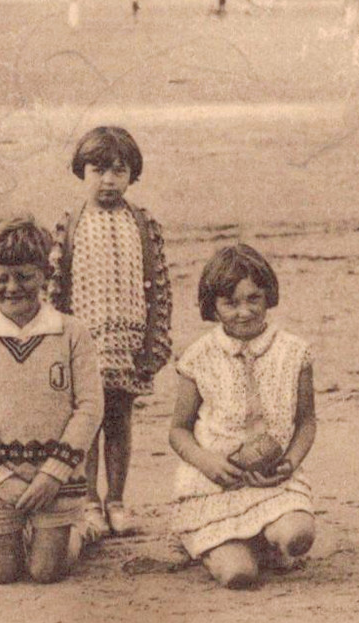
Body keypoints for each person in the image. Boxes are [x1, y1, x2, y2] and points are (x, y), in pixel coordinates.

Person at [0, 216, 103, 585]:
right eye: (2, 278)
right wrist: (0, 481)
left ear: (45, 275)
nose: (13, 287)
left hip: (55, 479)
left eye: (25, 277)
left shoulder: (71, 333)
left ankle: (84, 528)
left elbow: (89, 409)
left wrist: (53, 475)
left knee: (47, 572)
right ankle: (27, 530)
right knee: (5, 574)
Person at [49, 127, 173, 543]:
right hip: (83, 346)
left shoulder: (143, 224)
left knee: (119, 419)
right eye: (98, 170)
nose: (108, 180)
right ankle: (88, 502)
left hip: (128, 345)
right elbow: (55, 293)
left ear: (132, 174)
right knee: (86, 424)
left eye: (118, 171)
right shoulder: (69, 225)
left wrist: (154, 342)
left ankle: (116, 500)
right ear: (81, 172)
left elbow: (159, 288)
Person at [169, 245, 318, 589]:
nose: (244, 311)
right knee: (239, 576)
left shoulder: (294, 352)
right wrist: (207, 463)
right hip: (217, 483)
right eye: (230, 303)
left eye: (254, 299)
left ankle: (267, 537)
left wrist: (291, 462)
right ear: (213, 306)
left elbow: (307, 421)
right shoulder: (199, 356)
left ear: (268, 296)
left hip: (273, 482)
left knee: (298, 537)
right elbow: (178, 431)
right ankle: (217, 545)